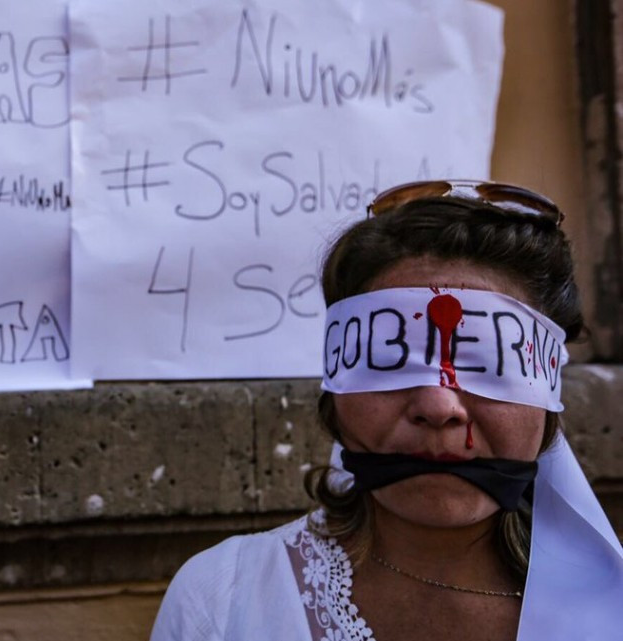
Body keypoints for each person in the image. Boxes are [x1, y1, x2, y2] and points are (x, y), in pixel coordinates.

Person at [150, 180, 623, 641]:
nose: (439, 407)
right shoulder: (224, 602)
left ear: (546, 393)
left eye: (488, 364)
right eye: (389, 359)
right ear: (335, 388)